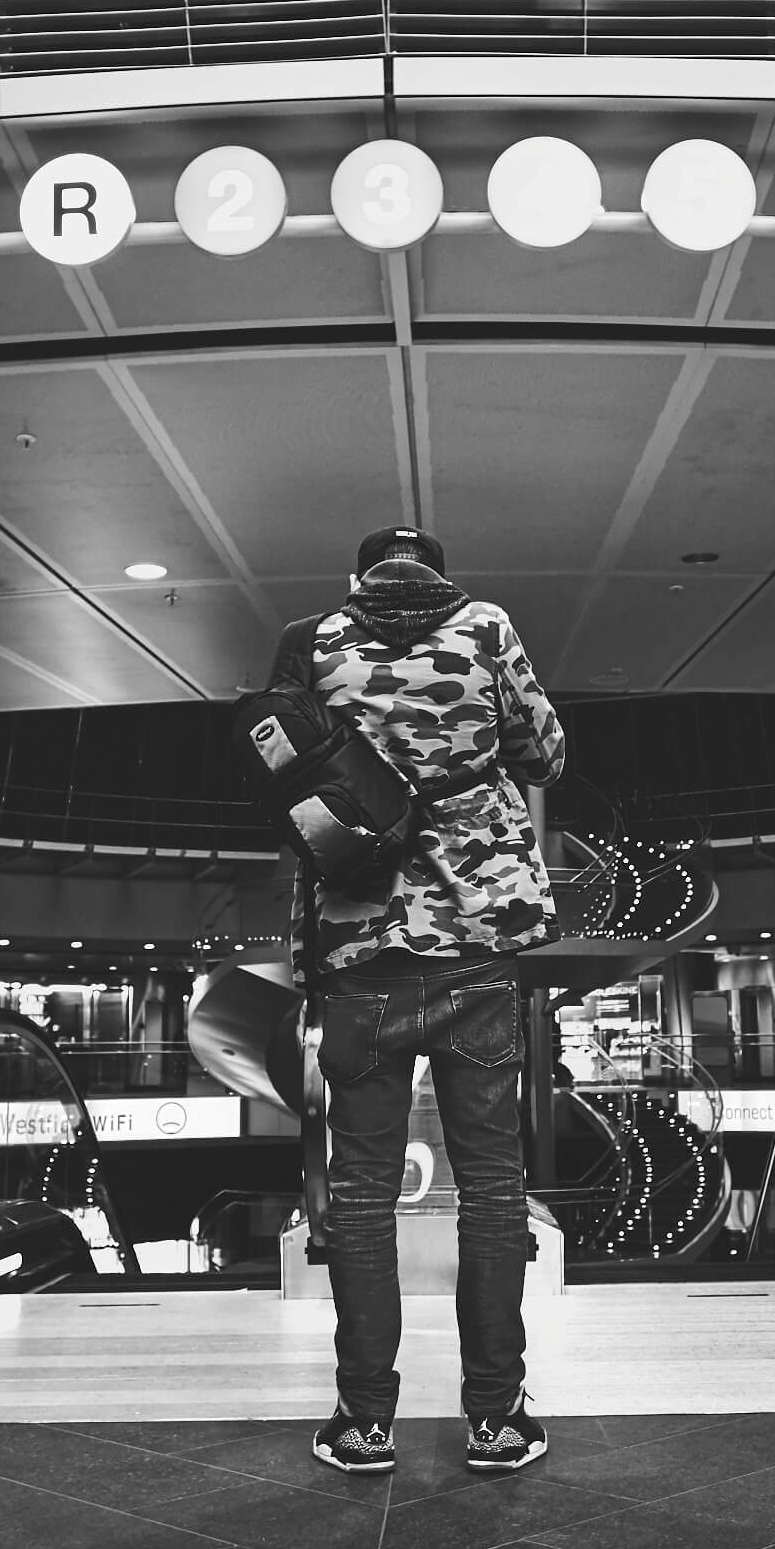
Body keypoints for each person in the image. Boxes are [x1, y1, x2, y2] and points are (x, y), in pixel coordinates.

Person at [296, 524, 567, 1478]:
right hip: (479, 945)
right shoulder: (485, 626)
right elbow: (542, 754)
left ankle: (365, 1420)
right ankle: (494, 1418)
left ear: (359, 574)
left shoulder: (318, 641)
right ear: (443, 576)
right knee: (493, 1186)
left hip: (361, 947)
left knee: (364, 1194)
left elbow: (287, 780)